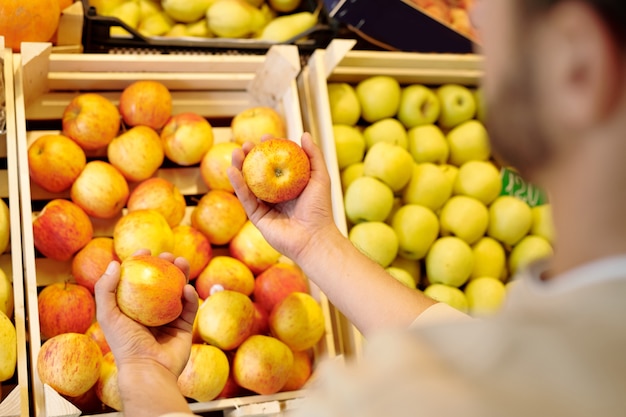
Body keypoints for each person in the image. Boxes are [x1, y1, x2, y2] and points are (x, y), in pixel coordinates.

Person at [95, 0, 626, 415]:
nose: (475, 18)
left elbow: (484, 373)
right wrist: (317, 242)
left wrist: (143, 371)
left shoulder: (392, 400)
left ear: (577, 65)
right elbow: (481, 355)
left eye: (494, 13)